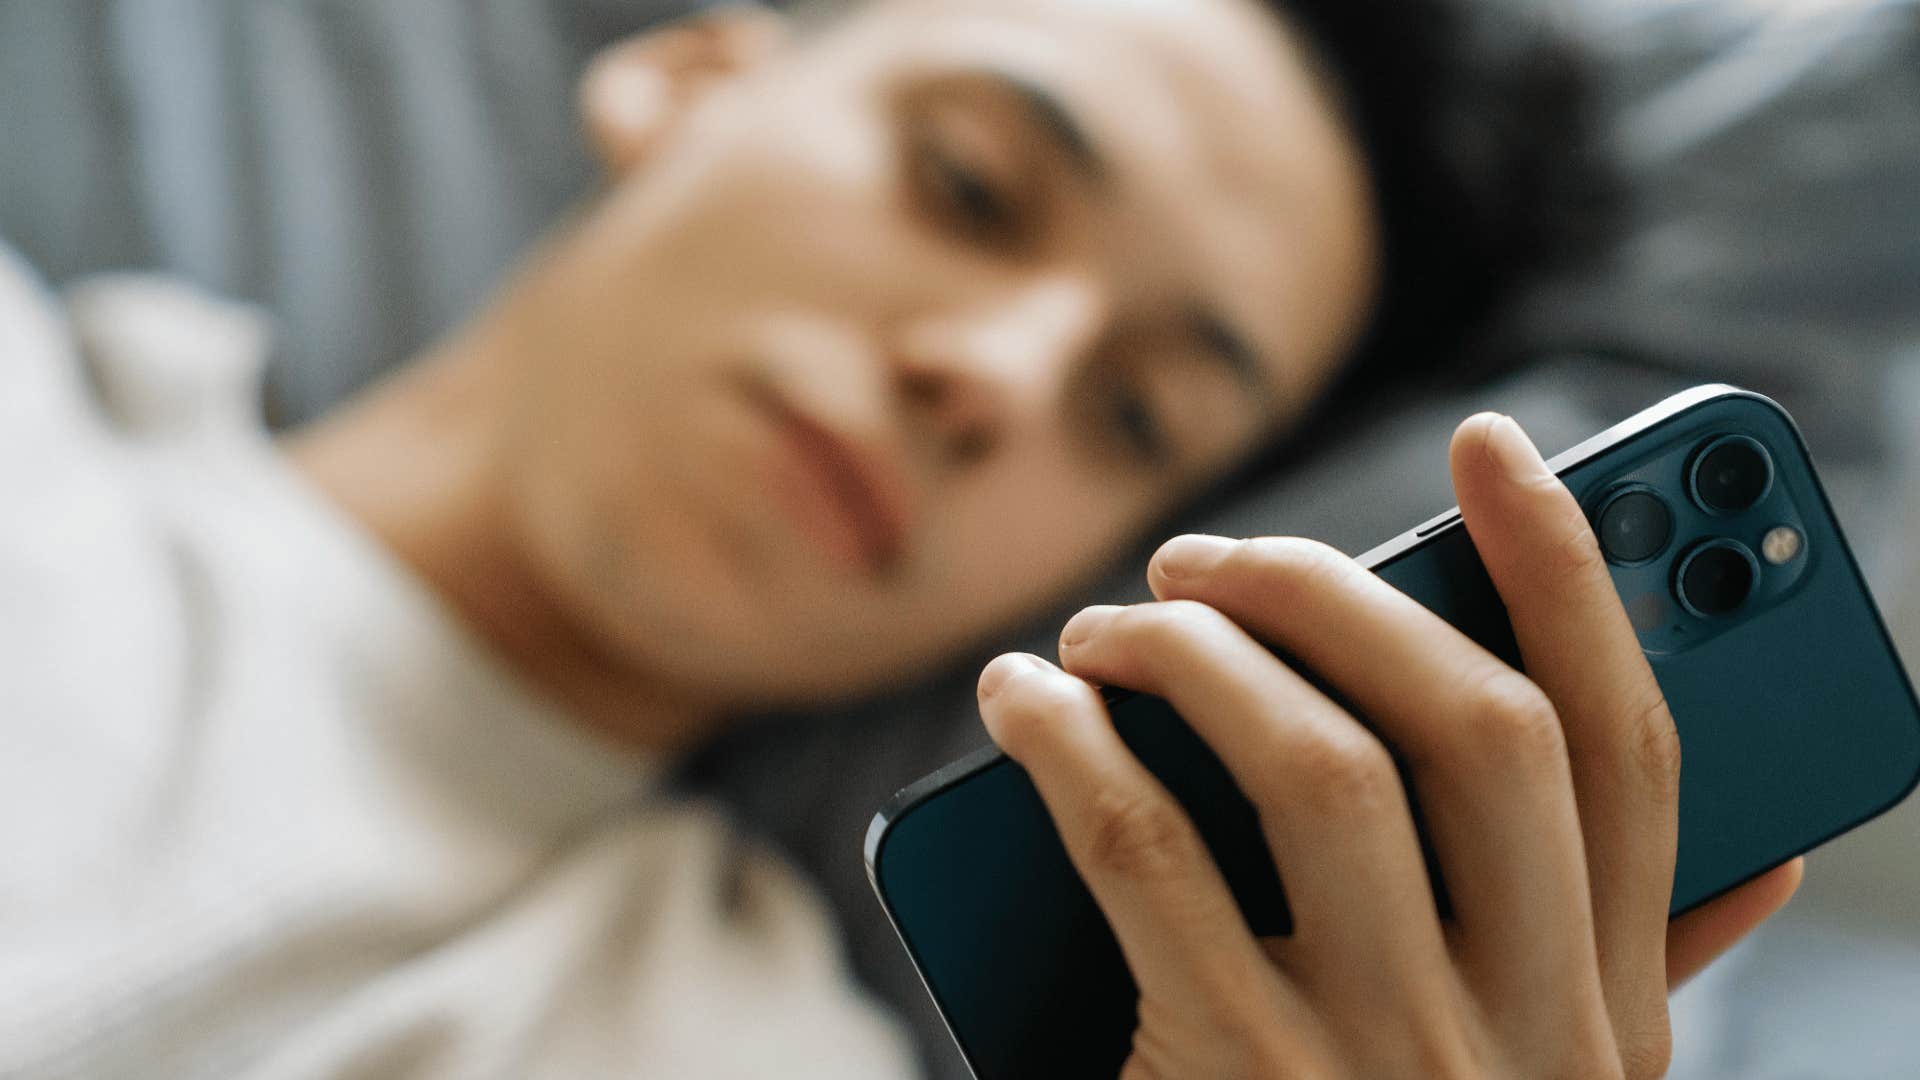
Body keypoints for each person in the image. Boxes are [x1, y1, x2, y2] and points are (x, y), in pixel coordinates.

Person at [0, 0, 1799, 1076]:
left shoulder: (738, 1043)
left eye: (1135, 414)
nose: (997, 377)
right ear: (689, 78)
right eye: (968, 185)